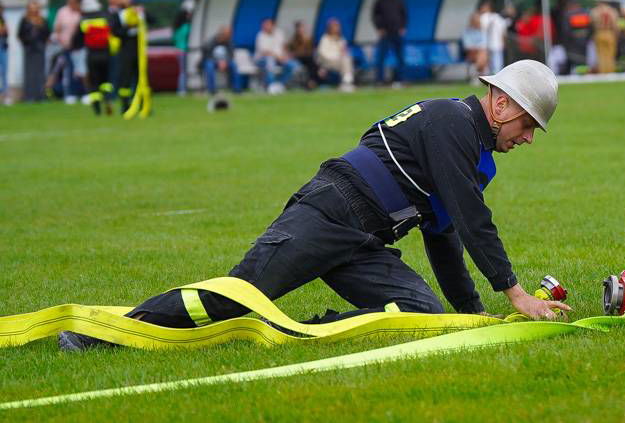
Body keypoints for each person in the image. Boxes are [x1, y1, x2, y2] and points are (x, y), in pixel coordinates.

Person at [58, 60, 569, 350]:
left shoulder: (471, 148)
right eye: (527, 125)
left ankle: (300, 329)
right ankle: (98, 334)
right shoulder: (452, 123)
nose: (527, 138)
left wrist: (471, 317)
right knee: (232, 297)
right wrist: (516, 295)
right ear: (500, 104)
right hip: (330, 212)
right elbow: (472, 218)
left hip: (366, 240)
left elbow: (444, 234)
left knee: (419, 313)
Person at [72, 0, 113, 115]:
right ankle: (108, 99)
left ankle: (97, 108)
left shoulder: (84, 20)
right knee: (106, 80)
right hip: (106, 53)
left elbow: (77, 40)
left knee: (94, 81)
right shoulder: (106, 17)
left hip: (92, 54)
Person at [110, 0, 144, 113]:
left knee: (141, 77)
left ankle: (142, 103)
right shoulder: (116, 14)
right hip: (125, 50)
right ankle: (125, 105)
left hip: (139, 49)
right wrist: (128, 28)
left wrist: (142, 13)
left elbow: (152, 20)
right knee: (125, 78)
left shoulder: (137, 9)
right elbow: (115, 31)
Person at [372, 0, 407, 86]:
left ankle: (399, 80)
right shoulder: (380, 1)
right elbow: (375, 16)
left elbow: (404, 15)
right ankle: (379, 80)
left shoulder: (399, 0)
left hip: (397, 33)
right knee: (381, 58)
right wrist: (379, 28)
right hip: (385, 34)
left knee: (400, 58)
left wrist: (403, 27)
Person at [48, 0, 81, 103]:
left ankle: (82, 92)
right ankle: (69, 93)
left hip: (79, 47)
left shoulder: (81, 12)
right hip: (65, 46)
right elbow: (57, 28)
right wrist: (61, 41)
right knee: (68, 70)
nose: (70, 3)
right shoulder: (62, 12)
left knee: (80, 71)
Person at [18, 0, 50, 102]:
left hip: (40, 48)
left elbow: (47, 33)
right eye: (31, 8)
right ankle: (29, 96)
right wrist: (26, 43)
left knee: (40, 72)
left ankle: (40, 95)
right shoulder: (24, 20)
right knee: (29, 73)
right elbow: (20, 34)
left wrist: (43, 42)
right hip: (29, 48)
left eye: (35, 8)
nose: (34, 10)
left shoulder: (43, 20)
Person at [254, 17, 294, 93]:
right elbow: (264, 52)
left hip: (279, 58)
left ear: (273, 25)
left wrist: (285, 56)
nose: (265, 27)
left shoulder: (279, 33)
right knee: (270, 61)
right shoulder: (260, 35)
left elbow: (284, 47)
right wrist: (277, 56)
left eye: (267, 25)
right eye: (264, 25)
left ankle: (280, 85)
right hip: (262, 60)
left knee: (291, 65)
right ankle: (271, 85)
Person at [316, 17, 355, 91]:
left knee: (347, 59)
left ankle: (346, 82)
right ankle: (347, 82)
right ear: (329, 28)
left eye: (337, 26)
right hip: (327, 62)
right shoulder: (325, 39)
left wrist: (344, 53)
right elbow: (323, 53)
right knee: (345, 61)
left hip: (340, 61)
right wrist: (337, 56)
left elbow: (345, 50)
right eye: (334, 26)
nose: (336, 28)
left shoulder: (341, 39)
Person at [202, 25, 240, 95]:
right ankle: (212, 90)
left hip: (225, 62)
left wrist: (225, 61)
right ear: (222, 34)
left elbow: (231, 54)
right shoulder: (211, 41)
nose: (230, 35)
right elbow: (207, 55)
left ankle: (236, 89)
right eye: (228, 34)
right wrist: (218, 61)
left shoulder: (229, 42)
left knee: (234, 66)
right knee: (209, 66)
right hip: (212, 61)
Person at [478, 0, 508, 74]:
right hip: (492, 43)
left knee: (495, 60)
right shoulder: (497, 17)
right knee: (496, 61)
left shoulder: (485, 17)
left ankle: (494, 74)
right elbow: (503, 31)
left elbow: (501, 31)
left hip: (490, 43)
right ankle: (495, 74)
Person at [172, 0, 194, 95]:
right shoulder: (186, 27)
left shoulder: (177, 28)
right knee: (183, 72)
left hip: (178, 50)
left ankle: (182, 89)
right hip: (184, 51)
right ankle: (182, 90)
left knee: (182, 71)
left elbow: (174, 40)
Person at [288, 20, 319, 90]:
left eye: (302, 28)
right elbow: (292, 52)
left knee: (313, 63)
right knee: (311, 62)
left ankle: (311, 82)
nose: (301, 30)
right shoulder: (293, 40)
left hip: (307, 59)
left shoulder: (308, 39)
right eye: (299, 28)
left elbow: (311, 50)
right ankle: (311, 82)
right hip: (298, 59)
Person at [590, 2, 619, 74]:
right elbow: (615, 25)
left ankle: (603, 72)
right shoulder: (612, 11)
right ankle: (610, 71)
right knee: (610, 55)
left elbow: (592, 23)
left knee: (601, 55)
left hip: (599, 32)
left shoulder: (595, 11)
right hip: (610, 33)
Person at [461, 11, 488, 84]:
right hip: (470, 52)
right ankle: (481, 77)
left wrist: (478, 48)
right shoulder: (467, 31)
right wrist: (476, 47)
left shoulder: (482, 30)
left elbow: (484, 42)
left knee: (482, 53)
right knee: (481, 54)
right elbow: (467, 44)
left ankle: (477, 76)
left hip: (480, 52)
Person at [0, 1, 7, 97]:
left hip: (3, 46)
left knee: (4, 70)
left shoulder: (3, 19)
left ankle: (4, 94)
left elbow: (5, 31)